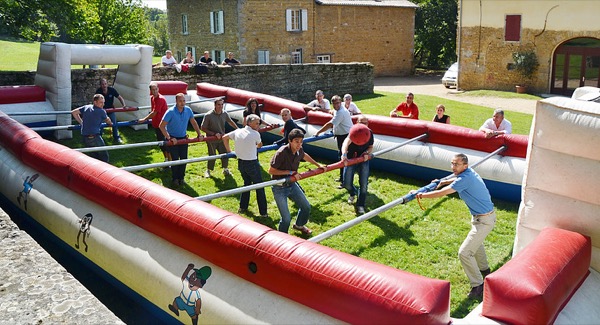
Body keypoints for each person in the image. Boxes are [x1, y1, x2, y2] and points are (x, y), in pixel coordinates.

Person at [414, 153, 495, 299]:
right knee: (476, 246)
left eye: (456, 164)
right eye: (452, 163)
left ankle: (478, 285)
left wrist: (420, 194)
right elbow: (455, 180)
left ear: (465, 165)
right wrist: (444, 181)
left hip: (484, 220)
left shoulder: (465, 178)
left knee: (464, 253)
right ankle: (485, 270)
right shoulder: (469, 173)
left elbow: (442, 193)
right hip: (480, 218)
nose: (453, 167)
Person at [268, 129, 326, 235]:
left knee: (306, 207)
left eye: (301, 141)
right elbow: (271, 171)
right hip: (279, 187)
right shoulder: (281, 152)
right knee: (286, 218)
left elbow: (304, 155)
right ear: (290, 141)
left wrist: (318, 165)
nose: (299, 144)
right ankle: (282, 237)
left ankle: (299, 225)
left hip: (292, 184)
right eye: (296, 141)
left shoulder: (299, 150)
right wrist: (290, 172)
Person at [222, 114, 268, 217]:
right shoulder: (255, 134)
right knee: (259, 187)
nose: (258, 125)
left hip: (241, 163)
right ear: (249, 123)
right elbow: (260, 145)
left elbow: (224, 137)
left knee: (246, 184)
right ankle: (263, 213)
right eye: (256, 123)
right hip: (251, 163)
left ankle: (243, 207)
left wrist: (229, 151)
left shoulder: (238, 131)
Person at [159, 93, 204, 187]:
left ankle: (181, 178)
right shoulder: (170, 112)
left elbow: (194, 122)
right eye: (180, 101)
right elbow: (161, 126)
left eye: (184, 101)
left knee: (184, 159)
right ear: (176, 101)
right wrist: (169, 138)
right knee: (175, 160)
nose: (182, 103)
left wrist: (199, 134)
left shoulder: (188, 110)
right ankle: (175, 179)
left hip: (183, 139)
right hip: (173, 139)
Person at [316, 95, 354, 188]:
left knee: (344, 158)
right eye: (334, 103)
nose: (336, 105)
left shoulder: (341, 112)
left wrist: (318, 132)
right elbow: (333, 112)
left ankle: (345, 182)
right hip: (341, 136)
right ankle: (342, 178)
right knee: (340, 156)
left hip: (345, 137)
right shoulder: (340, 110)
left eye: (337, 103)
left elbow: (330, 124)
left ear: (341, 102)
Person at [341, 116, 374, 215]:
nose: (363, 125)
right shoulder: (354, 131)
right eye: (361, 122)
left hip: (363, 160)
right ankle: (352, 193)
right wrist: (344, 154)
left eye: (365, 123)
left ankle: (360, 205)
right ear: (357, 123)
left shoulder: (369, 133)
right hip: (351, 159)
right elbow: (346, 142)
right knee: (346, 183)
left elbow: (370, 147)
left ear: (368, 124)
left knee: (363, 184)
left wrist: (366, 153)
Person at [201, 98, 239, 177]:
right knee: (212, 155)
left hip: (222, 138)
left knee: (225, 154)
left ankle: (225, 169)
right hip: (211, 140)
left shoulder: (225, 113)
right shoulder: (208, 115)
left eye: (222, 104)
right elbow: (203, 128)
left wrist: (238, 129)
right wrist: (214, 134)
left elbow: (230, 121)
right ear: (215, 105)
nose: (220, 106)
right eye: (219, 104)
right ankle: (208, 170)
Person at [71, 94, 113, 163]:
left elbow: (74, 112)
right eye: (101, 102)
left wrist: (81, 123)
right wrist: (110, 123)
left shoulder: (86, 107)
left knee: (93, 157)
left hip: (85, 136)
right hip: (95, 136)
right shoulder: (101, 111)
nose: (103, 104)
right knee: (104, 156)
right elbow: (109, 121)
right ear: (95, 102)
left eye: (103, 102)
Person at [138, 82, 172, 165]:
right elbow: (153, 111)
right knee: (161, 144)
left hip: (163, 125)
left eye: (156, 89)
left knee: (166, 143)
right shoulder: (153, 98)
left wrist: (144, 119)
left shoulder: (160, 99)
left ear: (158, 89)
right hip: (156, 124)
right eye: (153, 90)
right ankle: (166, 159)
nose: (155, 91)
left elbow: (154, 112)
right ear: (150, 91)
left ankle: (171, 162)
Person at [95, 78, 126, 144]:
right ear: (100, 85)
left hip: (111, 110)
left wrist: (124, 105)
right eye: (102, 84)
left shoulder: (112, 90)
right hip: (101, 111)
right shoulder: (98, 91)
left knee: (114, 123)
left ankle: (117, 137)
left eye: (105, 84)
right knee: (100, 125)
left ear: (107, 84)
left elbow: (120, 97)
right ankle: (99, 138)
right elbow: (95, 102)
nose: (104, 85)